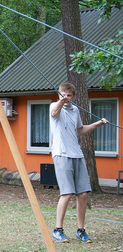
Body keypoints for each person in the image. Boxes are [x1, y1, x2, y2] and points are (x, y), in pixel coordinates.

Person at [50, 82, 108, 243]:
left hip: (77, 154)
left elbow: (80, 130)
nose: (66, 98)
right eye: (63, 95)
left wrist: (99, 123)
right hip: (61, 154)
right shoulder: (54, 106)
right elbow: (55, 113)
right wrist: (61, 102)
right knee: (67, 193)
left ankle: (81, 230)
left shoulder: (75, 110)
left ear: (73, 97)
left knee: (82, 194)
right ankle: (57, 229)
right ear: (59, 95)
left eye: (69, 96)